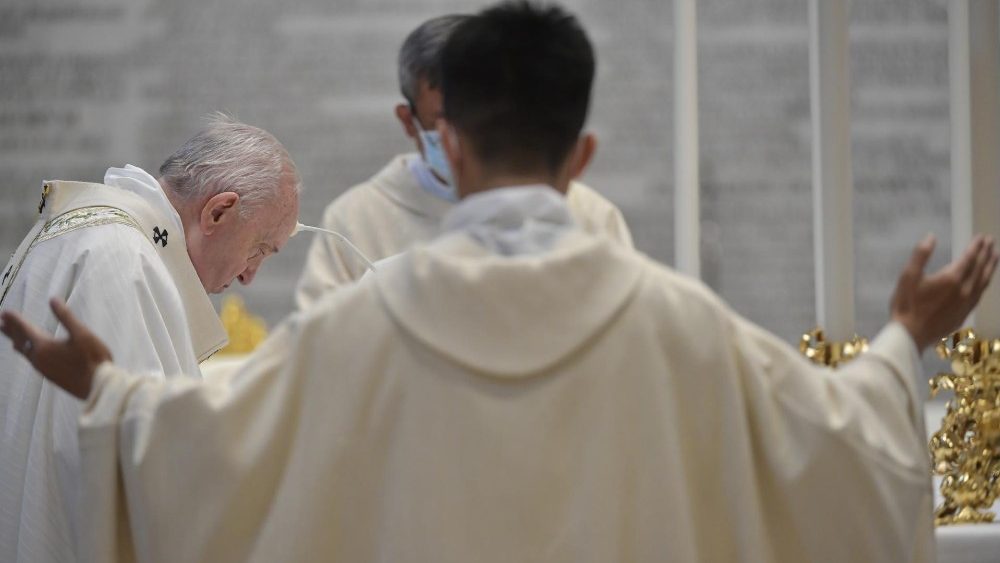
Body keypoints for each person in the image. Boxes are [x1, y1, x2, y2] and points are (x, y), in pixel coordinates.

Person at [4, 2, 999, 561]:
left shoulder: (362, 326)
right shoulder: (680, 322)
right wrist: (904, 337)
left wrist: (114, 394)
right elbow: (842, 453)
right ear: (583, 152)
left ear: (451, 147)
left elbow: (208, 451)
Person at [0, 114, 300, 563]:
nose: (250, 275)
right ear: (218, 211)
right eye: (259, 248)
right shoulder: (122, 262)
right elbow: (130, 469)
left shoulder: (91, 236)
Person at [294, 13, 632, 309]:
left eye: (477, 119)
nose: (465, 140)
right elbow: (321, 356)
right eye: (443, 122)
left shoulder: (593, 216)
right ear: (407, 120)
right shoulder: (355, 220)